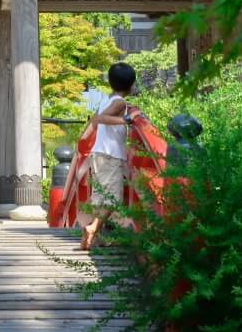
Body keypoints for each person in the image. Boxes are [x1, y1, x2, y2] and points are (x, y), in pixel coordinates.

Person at [56, 61, 169, 251]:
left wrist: (82, 141)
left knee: (101, 196)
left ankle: (93, 237)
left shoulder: (109, 99)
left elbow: (95, 121)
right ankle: (93, 228)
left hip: (99, 154)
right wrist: (126, 120)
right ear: (131, 85)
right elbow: (102, 119)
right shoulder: (119, 103)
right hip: (110, 155)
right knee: (113, 197)